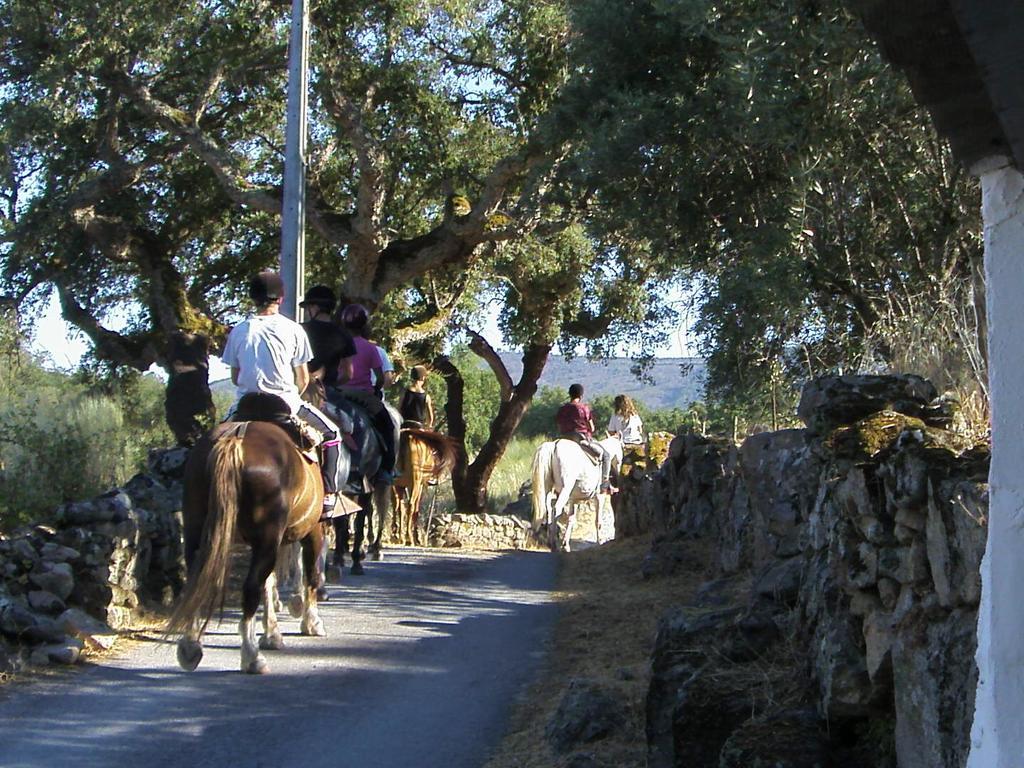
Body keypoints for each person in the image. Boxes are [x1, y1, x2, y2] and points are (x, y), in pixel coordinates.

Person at [221, 271, 345, 514]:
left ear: (253, 298)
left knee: (214, 440)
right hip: (285, 403)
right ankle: (329, 495)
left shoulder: (238, 330)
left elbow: (235, 378)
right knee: (333, 434)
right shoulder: (294, 330)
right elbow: (302, 378)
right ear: (280, 298)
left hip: (244, 405)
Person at [335, 303, 398, 480]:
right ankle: (387, 468)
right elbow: (379, 378)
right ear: (364, 325)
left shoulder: (338, 345)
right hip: (363, 395)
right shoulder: (371, 348)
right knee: (388, 426)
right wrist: (376, 389)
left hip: (339, 393)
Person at [555, 383, 612, 493]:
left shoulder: (562, 409)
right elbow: (592, 427)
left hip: (565, 438)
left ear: (569, 394)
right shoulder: (583, 408)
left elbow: (559, 425)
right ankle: (604, 483)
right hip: (581, 439)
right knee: (606, 455)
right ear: (581, 396)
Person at [299, 285, 356, 389]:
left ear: (316, 307)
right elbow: (348, 374)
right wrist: (333, 385)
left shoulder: (299, 330)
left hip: (303, 389)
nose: (307, 311)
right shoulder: (343, 334)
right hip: (328, 392)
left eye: (309, 308)